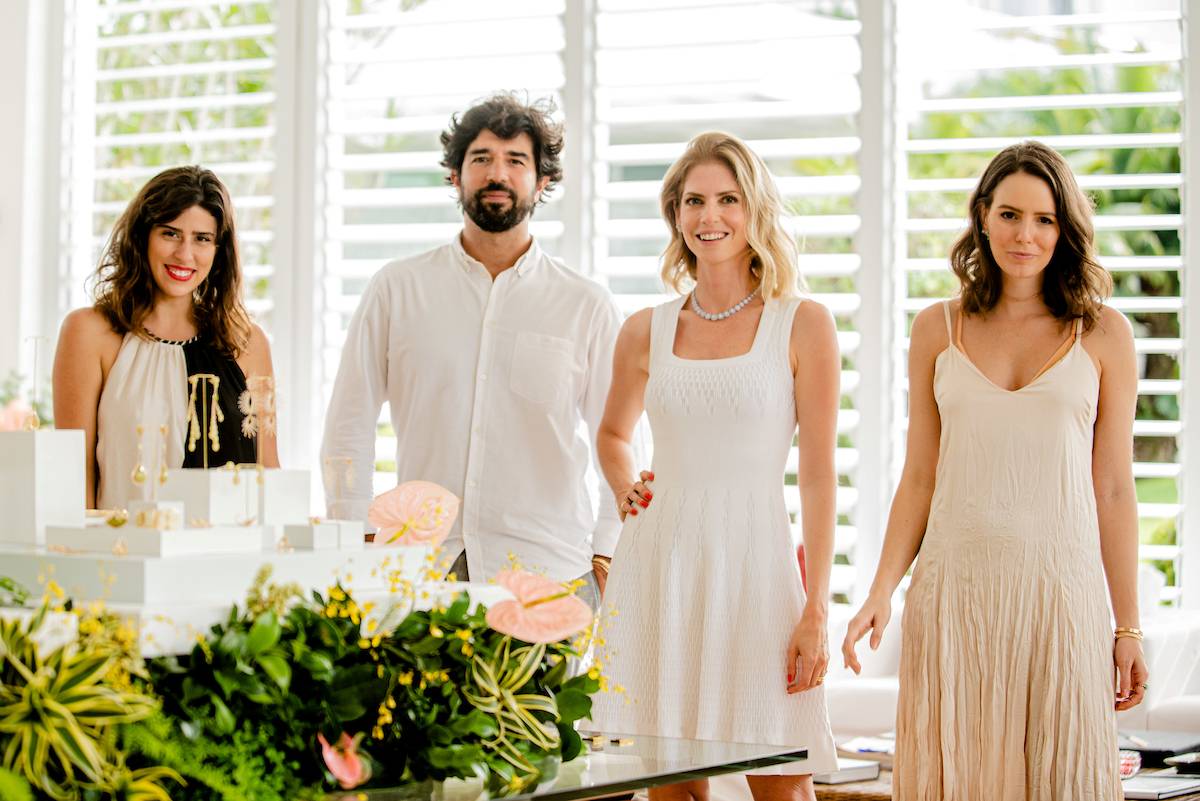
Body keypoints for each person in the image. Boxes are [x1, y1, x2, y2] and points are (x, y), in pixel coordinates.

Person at [841, 141, 1146, 800]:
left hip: (1059, 600)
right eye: (1009, 213)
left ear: (1065, 229)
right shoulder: (936, 328)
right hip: (955, 596)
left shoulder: (1103, 334)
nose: (1025, 235)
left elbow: (1116, 489)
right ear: (982, 215)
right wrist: (879, 591)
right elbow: (920, 474)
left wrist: (1127, 626)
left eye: (1043, 219)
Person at [589, 131, 840, 801]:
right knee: (669, 787)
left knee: (781, 783)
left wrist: (817, 608)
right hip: (660, 566)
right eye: (694, 200)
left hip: (756, 568)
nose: (711, 217)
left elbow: (817, 474)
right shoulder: (645, 328)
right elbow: (613, 433)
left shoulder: (803, 324)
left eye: (728, 199)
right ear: (675, 214)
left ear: (754, 209)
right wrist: (625, 483)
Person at [319, 93, 622, 607]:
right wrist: (354, 537)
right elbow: (350, 419)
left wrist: (610, 551)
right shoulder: (397, 289)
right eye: (481, 159)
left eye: (516, 161)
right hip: (419, 570)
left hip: (550, 571)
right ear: (455, 176)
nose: (496, 173)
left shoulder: (585, 305)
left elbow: (619, 436)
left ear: (542, 181)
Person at [53, 165, 278, 511]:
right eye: (170, 234)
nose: (185, 255)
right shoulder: (89, 333)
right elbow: (74, 478)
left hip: (233, 555)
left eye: (202, 238)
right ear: (143, 235)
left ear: (219, 251)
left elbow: (268, 471)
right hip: (126, 555)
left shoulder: (248, 342)